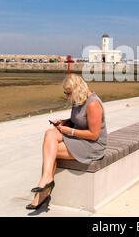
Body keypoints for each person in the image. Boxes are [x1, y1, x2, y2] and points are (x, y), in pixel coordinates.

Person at [26, 74, 107, 210]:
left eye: (68, 93)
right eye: (65, 93)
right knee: (49, 134)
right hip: (80, 139)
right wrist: (64, 122)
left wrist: (69, 131)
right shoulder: (79, 100)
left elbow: (94, 135)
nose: (67, 96)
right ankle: (46, 180)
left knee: (51, 151)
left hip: (93, 145)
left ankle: (43, 192)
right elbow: (78, 121)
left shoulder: (93, 104)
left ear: (77, 90)